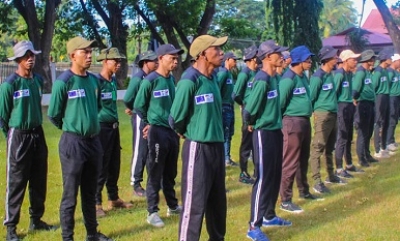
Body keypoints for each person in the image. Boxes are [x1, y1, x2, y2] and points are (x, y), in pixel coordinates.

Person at [47, 36, 113, 241]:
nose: (90, 56)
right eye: (85, 52)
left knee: (90, 191)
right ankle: (68, 236)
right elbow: (54, 114)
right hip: (73, 143)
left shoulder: (94, 81)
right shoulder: (64, 82)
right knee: (70, 194)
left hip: (94, 142)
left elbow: (99, 108)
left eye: (91, 52)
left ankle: (92, 233)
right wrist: (72, 128)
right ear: (72, 55)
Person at [170, 34, 228, 241]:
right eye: (217, 49)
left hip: (216, 148)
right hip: (198, 149)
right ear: (203, 54)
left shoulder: (212, 79)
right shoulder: (189, 80)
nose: (222, 53)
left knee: (218, 202)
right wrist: (190, 133)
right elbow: (175, 118)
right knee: (194, 204)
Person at [0, 40, 55, 241]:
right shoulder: (10, 85)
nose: (30, 59)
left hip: (37, 134)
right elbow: (3, 116)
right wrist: (12, 137)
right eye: (25, 56)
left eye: (32, 55)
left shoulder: (37, 81)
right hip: (19, 135)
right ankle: (11, 227)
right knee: (16, 182)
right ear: (18, 60)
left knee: (39, 179)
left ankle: (36, 220)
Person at [244, 40, 291, 241]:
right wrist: (252, 123)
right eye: (277, 53)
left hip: (275, 131)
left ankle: (269, 215)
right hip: (263, 133)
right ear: (267, 57)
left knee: (274, 175)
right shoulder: (262, 80)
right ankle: (253, 226)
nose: (281, 56)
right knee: (262, 177)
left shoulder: (274, 79)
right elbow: (248, 111)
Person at [134, 44, 183, 228]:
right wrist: (149, 122)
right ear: (161, 58)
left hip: (172, 132)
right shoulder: (150, 80)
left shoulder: (171, 80)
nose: (175, 61)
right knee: (155, 171)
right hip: (157, 132)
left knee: (170, 172)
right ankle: (152, 211)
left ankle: (172, 205)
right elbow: (139, 105)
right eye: (172, 58)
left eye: (177, 58)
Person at [94, 47, 133, 218]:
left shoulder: (112, 81)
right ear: (104, 62)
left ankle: (114, 198)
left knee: (114, 164)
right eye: (114, 61)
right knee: (100, 166)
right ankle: (96, 203)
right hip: (101, 128)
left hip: (113, 127)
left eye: (119, 61)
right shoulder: (97, 82)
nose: (118, 64)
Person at [279, 45, 314, 213]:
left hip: (305, 122)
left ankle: (304, 191)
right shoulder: (288, 78)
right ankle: (285, 199)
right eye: (308, 59)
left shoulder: (303, 77)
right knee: (290, 161)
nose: (310, 62)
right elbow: (280, 105)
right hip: (292, 122)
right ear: (298, 60)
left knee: (303, 158)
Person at [309, 46, 346, 195]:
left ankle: (331, 176)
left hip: (333, 114)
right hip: (322, 115)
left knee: (330, 147)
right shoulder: (318, 76)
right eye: (334, 57)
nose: (336, 59)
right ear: (327, 59)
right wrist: (315, 114)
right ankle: (317, 181)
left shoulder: (331, 74)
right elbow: (311, 97)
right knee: (318, 147)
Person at [124, 50, 158, 197]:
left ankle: (154, 180)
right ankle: (136, 182)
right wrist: (134, 109)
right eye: (153, 60)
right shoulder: (138, 78)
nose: (157, 62)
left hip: (151, 117)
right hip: (140, 117)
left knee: (152, 149)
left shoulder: (153, 77)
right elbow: (128, 98)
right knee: (140, 150)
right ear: (145, 63)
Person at [333, 50, 364, 175]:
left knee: (349, 137)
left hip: (350, 106)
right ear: (346, 61)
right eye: (353, 59)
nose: (355, 61)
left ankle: (349, 164)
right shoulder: (339, 74)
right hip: (341, 107)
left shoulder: (350, 74)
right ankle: (339, 168)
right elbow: (333, 93)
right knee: (342, 136)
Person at [232, 46, 258, 185]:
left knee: (256, 144)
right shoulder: (244, 74)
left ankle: (257, 171)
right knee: (247, 143)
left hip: (258, 113)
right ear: (252, 58)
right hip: (248, 111)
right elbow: (235, 94)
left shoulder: (258, 72)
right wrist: (243, 104)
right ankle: (243, 172)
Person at [352, 49, 378, 167]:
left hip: (370, 104)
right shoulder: (361, 72)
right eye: (372, 58)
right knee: (362, 131)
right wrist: (354, 99)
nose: (374, 60)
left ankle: (367, 154)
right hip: (363, 104)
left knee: (369, 131)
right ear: (367, 60)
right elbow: (356, 89)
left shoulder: (368, 72)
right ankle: (361, 158)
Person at [217, 51, 240, 167]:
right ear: (227, 60)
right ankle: (225, 159)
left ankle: (227, 157)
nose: (235, 62)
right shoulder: (223, 74)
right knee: (225, 133)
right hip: (224, 107)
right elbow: (217, 90)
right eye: (234, 59)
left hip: (230, 107)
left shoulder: (230, 74)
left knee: (229, 133)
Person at [372, 50, 392, 158]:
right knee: (378, 122)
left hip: (386, 96)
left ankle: (384, 147)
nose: (391, 60)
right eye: (389, 57)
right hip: (379, 97)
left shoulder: (385, 70)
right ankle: (377, 149)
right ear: (385, 59)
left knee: (386, 121)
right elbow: (373, 86)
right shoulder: (378, 71)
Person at [386, 54, 400, 151]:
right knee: (391, 118)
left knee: (395, 119)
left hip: (397, 97)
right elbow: (387, 86)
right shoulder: (390, 72)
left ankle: (391, 139)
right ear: (395, 61)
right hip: (391, 97)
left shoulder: (396, 73)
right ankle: (388, 141)